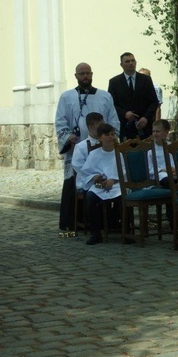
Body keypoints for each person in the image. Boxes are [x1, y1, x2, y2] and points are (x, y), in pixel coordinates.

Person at [55, 62, 120, 232]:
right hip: (78, 147)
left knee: (108, 179)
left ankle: (110, 223)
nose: (85, 76)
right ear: (76, 76)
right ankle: (74, 222)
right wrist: (68, 136)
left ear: (92, 74)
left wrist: (110, 138)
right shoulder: (66, 97)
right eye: (82, 73)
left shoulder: (105, 96)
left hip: (102, 148)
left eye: (88, 73)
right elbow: (60, 121)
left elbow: (113, 120)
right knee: (76, 182)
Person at [81, 124, 123, 245]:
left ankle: (124, 230)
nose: (110, 137)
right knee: (90, 197)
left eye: (112, 134)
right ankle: (96, 233)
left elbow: (125, 171)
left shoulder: (118, 154)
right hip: (100, 185)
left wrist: (114, 180)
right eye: (106, 135)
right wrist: (94, 177)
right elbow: (86, 172)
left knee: (123, 198)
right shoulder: (94, 154)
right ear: (100, 138)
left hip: (116, 185)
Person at [108, 52, 160, 140]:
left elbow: (154, 102)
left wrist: (146, 117)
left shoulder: (146, 80)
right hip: (125, 127)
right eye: (127, 61)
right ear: (121, 65)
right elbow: (112, 104)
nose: (131, 63)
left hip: (144, 126)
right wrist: (124, 113)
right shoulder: (114, 82)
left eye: (132, 61)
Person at [72, 112, 105, 193]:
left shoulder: (107, 144)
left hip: (106, 179)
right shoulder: (80, 147)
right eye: (100, 126)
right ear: (91, 127)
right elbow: (78, 166)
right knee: (94, 193)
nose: (103, 129)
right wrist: (93, 177)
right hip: (87, 182)